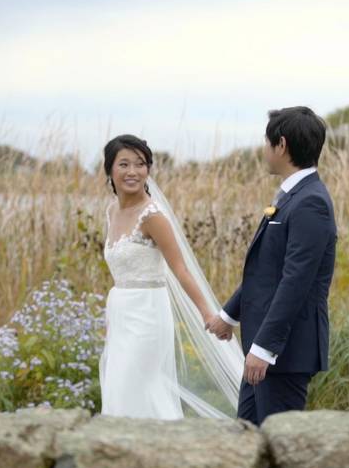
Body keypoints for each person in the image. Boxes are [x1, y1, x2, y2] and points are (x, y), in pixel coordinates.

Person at [206, 106, 338, 426]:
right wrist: (228, 316)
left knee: (281, 445)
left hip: (284, 353)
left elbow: (295, 282)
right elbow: (267, 270)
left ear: (280, 145)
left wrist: (264, 349)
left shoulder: (311, 202)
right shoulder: (291, 196)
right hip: (265, 349)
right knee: (248, 436)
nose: (263, 150)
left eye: (266, 142)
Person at [98, 134, 243, 419]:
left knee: (133, 383)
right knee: (119, 384)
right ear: (109, 170)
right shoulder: (112, 210)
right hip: (121, 311)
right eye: (124, 164)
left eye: (140, 164)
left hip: (148, 315)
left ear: (148, 169)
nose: (133, 172)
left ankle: (156, 447)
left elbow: (181, 269)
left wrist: (208, 314)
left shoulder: (153, 216)